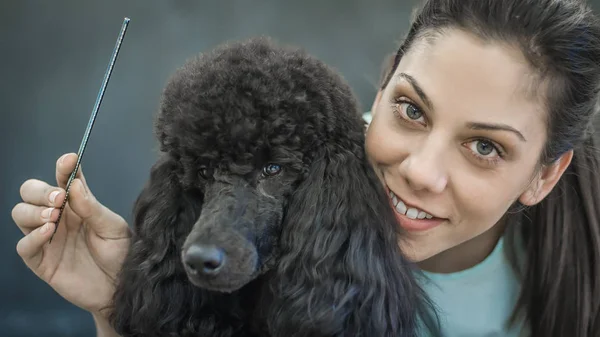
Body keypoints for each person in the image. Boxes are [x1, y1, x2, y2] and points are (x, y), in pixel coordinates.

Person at [11, 0, 600, 335]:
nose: (422, 171)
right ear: (387, 77)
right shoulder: (262, 196)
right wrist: (114, 311)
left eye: (486, 147)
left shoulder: (575, 291)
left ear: (543, 176)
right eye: (410, 109)